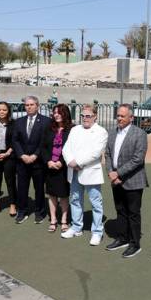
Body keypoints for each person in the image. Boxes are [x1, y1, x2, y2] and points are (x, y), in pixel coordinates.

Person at [105, 104, 148, 258]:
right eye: (118, 115)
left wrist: (118, 174)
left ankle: (135, 244)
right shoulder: (112, 133)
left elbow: (138, 159)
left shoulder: (140, 134)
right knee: (120, 210)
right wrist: (110, 171)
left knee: (133, 213)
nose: (119, 118)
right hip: (115, 179)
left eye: (123, 116)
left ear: (131, 118)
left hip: (133, 180)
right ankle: (122, 238)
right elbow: (108, 154)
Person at [62, 104, 109, 245]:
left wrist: (78, 163)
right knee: (75, 200)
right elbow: (66, 148)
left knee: (96, 203)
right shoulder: (75, 129)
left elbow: (95, 153)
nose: (85, 118)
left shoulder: (101, 131)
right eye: (82, 115)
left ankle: (97, 232)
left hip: (90, 172)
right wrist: (70, 161)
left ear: (95, 116)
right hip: (74, 171)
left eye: (88, 116)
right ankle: (76, 227)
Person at [11, 95, 51, 224]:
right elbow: (15, 140)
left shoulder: (46, 121)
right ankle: (22, 211)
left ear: (37, 106)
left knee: (39, 188)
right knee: (22, 187)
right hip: (22, 162)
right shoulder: (19, 121)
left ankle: (39, 211)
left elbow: (44, 142)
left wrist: (35, 155)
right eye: (27, 105)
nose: (29, 107)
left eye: (31, 104)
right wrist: (22, 155)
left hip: (38, 162)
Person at [43, 104, 73, 233]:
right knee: (52, 195)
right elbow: (43, 147)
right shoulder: (49, 128)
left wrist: (62, 162)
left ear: (65, 114)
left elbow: (73, 148)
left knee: (64, 195)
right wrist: (48, 161)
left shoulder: (72, 129)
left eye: (59, 112)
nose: (56, 114)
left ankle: (64, 220)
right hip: (50, 167)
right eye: (54, 112)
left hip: (64, 168)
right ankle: (53, 219)